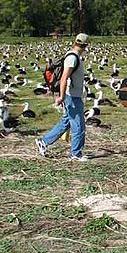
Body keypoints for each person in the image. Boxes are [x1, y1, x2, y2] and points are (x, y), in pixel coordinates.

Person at [35, 33, 89, 161]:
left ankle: (43, 141)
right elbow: (64, 78)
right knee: (79, 126)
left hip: (73, 95)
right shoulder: (72, 58)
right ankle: (76, 154)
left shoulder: (73, 56)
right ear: (86, 45)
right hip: (72, 96)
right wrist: (61, 96)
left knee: (66, 122)